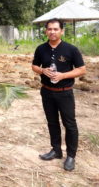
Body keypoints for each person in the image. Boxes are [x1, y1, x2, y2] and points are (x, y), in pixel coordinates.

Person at [32, 18, 86, 171]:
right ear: (46, 31)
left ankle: (71, 156)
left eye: (55, 29)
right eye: (49, 29)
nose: (52, 32)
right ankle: (56, 150)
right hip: (47, 92)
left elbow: (82, 70)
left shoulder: (71, 49)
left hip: (65, 93)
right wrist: (42, 70)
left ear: (62, 31)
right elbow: (34, 66)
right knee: (52, 122)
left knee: (69, 124)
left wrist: (63, 75)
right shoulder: (41, 49)